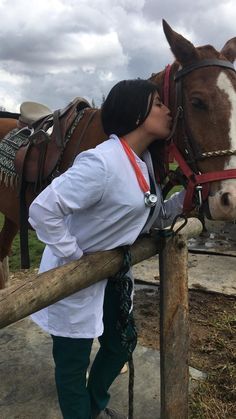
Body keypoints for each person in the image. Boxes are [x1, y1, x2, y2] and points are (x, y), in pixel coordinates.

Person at [28, 79, 185, 419]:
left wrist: (189, 198)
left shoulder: (142, 164)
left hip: (112, 276)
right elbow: (42, 209)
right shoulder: (101, 162)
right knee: (72, 361)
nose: (167, 109)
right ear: (135, 112)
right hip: (74, 277)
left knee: (120, 344)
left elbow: (152, 217)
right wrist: (74, 257)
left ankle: (93, 405)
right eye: (158, 103)